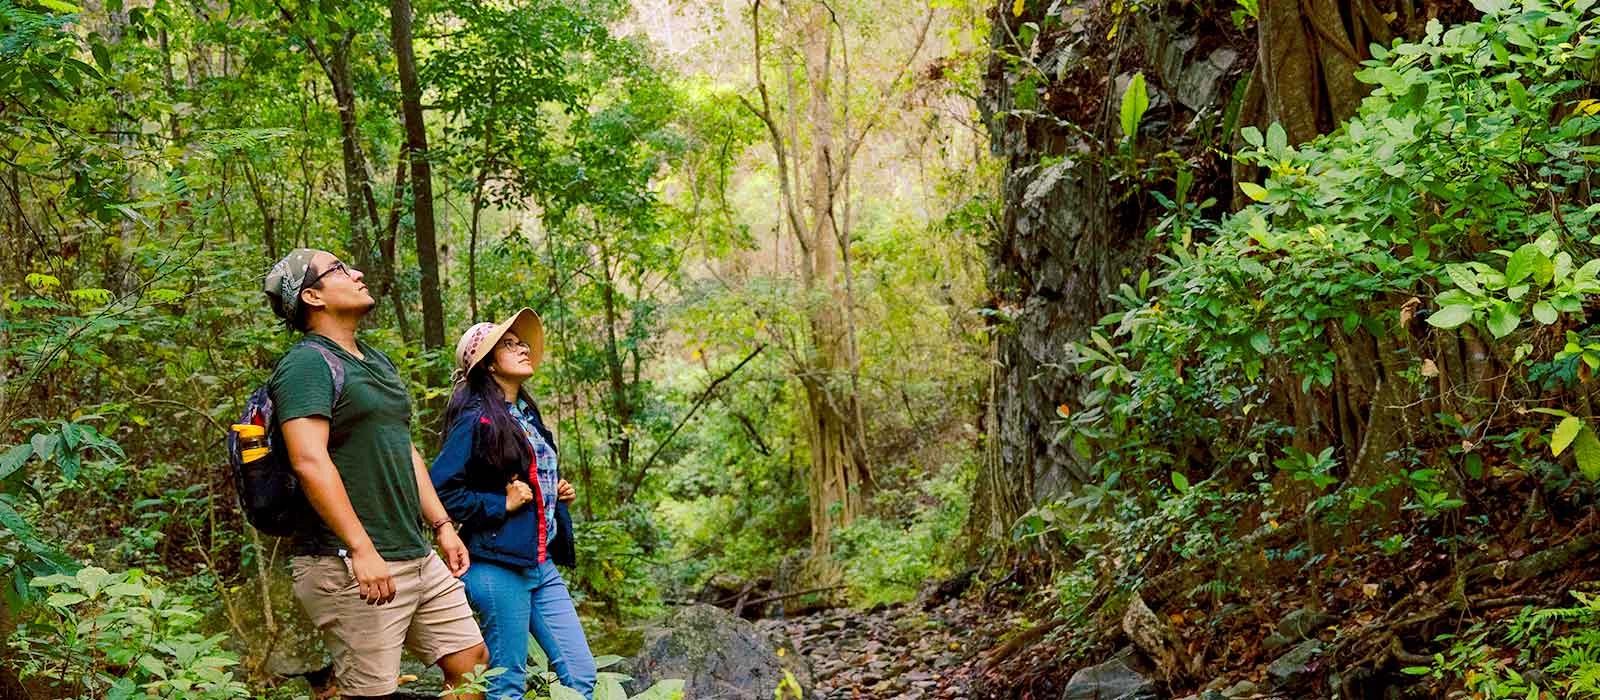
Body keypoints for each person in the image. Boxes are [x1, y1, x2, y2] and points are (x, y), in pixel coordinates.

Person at [262, 248, 489, 699]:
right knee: (370, 693)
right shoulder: (306, 364)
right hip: (347, 562)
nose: (357, 273)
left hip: (415, 553)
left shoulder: (375, 361)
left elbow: (403, 449)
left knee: (472, 666)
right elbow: (309, 461)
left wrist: (442, 526)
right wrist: (360, 548)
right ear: (312, 296)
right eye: (340, 270)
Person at [430, 308, 597, 700]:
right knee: (507, 686)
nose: (522, 348)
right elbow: (439, 489)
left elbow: (527, 474)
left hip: (540, 563)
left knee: (580, 675)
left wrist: (554, 492)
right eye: (509, 345)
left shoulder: (525, 414)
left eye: (522, 343)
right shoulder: (476, 418)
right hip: (496, 566)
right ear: (488, 365)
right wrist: (499, 504)